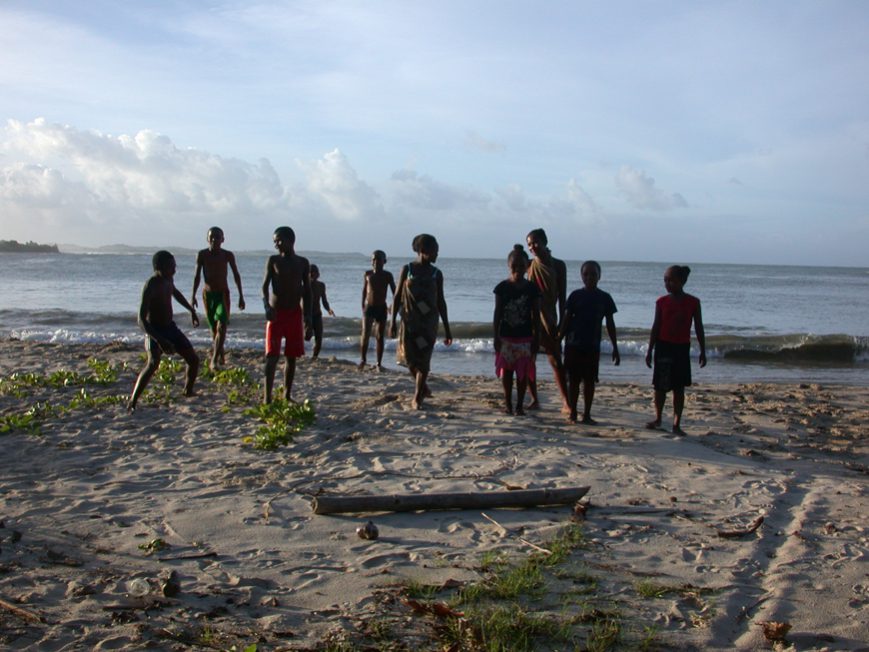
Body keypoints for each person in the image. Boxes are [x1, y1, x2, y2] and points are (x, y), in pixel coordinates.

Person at [128, 251, 200, 411]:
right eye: (171, 267)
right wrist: (159, 339)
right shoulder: (151, 285)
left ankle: (188, 391)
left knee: (193, 360)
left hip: (170, 327)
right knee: (153, 363)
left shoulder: (169, 279)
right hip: (155, 330)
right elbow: (141, 320)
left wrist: (191, 310)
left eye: (175, 266)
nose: (174, 270)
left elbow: (175, 293)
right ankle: (133, 401)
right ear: (159, 268)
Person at [390, 234, 452, 409]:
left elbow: (441, 301)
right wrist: (392, 321)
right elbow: (396, 297)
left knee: (424, 360)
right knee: (409, 359)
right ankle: (423, 386)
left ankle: (417, 396)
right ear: (423, 251)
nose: (437, 255)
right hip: (409, 322)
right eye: (435, 251)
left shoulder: (436, 274)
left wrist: (447, 329)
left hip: (428, 323)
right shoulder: (407, 269)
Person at [645, 265, 707, 434]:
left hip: (681, 348)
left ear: (682, 281)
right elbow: (656, 326)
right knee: (660, 387)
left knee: (679, 388)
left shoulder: (693, 302)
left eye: (671, 280)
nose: (668, 283)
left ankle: (676, 423)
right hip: (663, 346)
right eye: (665, 280)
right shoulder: (661, 302)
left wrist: (703, 350)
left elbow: (699, 327)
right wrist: (650, 350)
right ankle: (658, 418)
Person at [559, 260, 620, 424]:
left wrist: (615, 346)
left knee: (589, 381)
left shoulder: (604, 298)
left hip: (592, 346)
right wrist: (559, 339)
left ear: (599, 276)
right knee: (573, 381)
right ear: (581, 276)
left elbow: (610, 324)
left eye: (593, 274)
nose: (589, 277)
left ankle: (586, 414)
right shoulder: (575, 296)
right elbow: (566, 319)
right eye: (586, 274)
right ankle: (573, 413)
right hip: (573, 344)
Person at [262, 226, 311, 403]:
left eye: (280, 241)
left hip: (294, 314)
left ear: (291, 241)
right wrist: (266, 306)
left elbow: (307, 292)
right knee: (272, 356)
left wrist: (308, 318)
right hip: (276, 314)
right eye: (275, 242)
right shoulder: (273, 260)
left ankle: (287, 394)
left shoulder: (302, 263)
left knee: (291, 357)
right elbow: (264, 287)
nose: (277, 245)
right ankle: (267, 397)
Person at [493, 245, 541, 415]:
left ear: (527, 266)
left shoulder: (532, 289)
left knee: (522, 374)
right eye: (514, 266)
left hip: (525, 338)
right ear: (509, 266)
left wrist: (537, 338)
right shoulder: (502, 288)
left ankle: (520, 405)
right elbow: (497, 313)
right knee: (507, 373)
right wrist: (495, 336)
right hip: (506, 337)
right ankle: (508, 404)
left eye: (521, 266)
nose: (518, 270)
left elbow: (536, 315)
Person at [526, 228, 570, 411]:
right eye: (529, 244)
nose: (532, 247)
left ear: (545, 242)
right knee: (529, 360)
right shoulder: (528, 265)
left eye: (535, 242)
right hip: (530, 317)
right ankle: (534, 399)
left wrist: (561, 323)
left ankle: (566, 401)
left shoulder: (559, 265)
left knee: (555, 360)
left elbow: (562, 296)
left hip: (550, 317)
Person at [191, 226, 245, 369]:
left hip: (222, 294)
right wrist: (193, 296)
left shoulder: (227, 255)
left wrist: (241, 295)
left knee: (222, 325)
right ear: (208, 239)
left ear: (223, 239)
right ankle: (220, 355)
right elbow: (197, 276)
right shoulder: (202, 255)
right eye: (212, 237)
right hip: (208, 295)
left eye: (217, 237)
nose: (214, 239)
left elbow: (236, 275)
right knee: (214, 330)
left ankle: (214, 360)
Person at [359, 250, 396, 370]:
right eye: (373, 259)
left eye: (378, 259)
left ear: (384, 261)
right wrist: (362, 305)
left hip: (381, 308)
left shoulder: (387, 275)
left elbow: (395, 292)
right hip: (369, 307)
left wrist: (392, 305)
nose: (375, 262)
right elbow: (365, 290)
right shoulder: (368, 274)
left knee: (380, 336)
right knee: (365, 334)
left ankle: (378, 363)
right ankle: (363, 360)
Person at [306, 264, 335, 359]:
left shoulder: (321, 285)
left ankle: (314, 356)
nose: (313, 275)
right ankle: (299, 351)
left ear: (318, 274)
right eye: (310, 273)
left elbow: (324, 300)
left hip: (317, 314)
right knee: (307, 336)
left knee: (319, 337)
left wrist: (329, 309)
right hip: (306, 315)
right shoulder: (304, 286)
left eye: (314, 273)